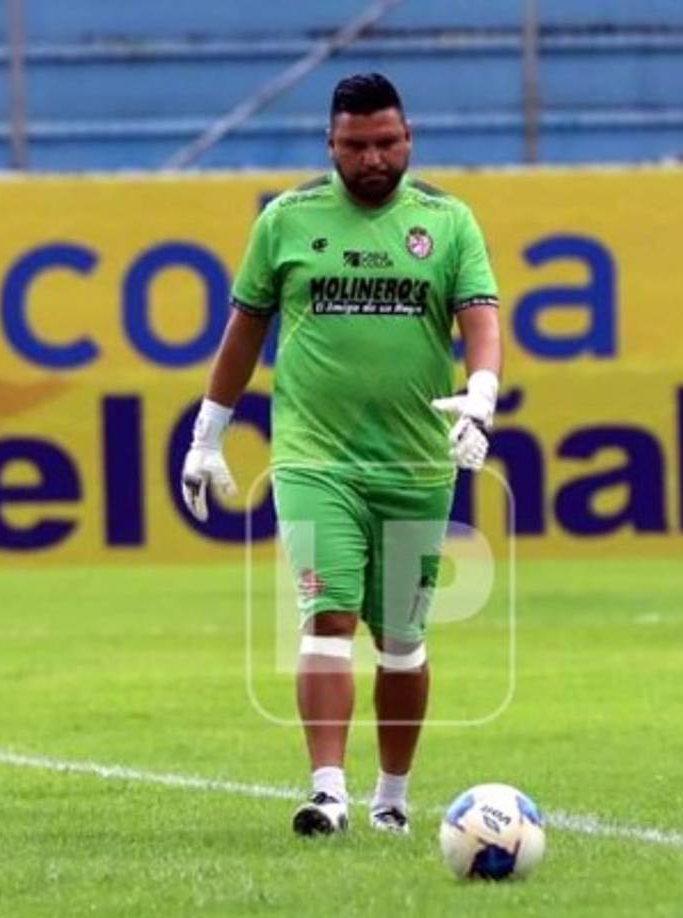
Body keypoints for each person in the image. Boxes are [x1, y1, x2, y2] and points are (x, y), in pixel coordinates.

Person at [180, 73, 501, 836]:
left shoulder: (446, 222)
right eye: (356, 146)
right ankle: (327, 792)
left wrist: (481, 392)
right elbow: (244, 333)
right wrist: (206, 435)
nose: (372, 159)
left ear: (408, 138)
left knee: (401, 641)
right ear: (330, 145)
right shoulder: (286, 221)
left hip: (414, 462)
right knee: (327, 614)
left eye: (385, 143)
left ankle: (391, 796)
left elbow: (480, 317)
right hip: (313, 456)